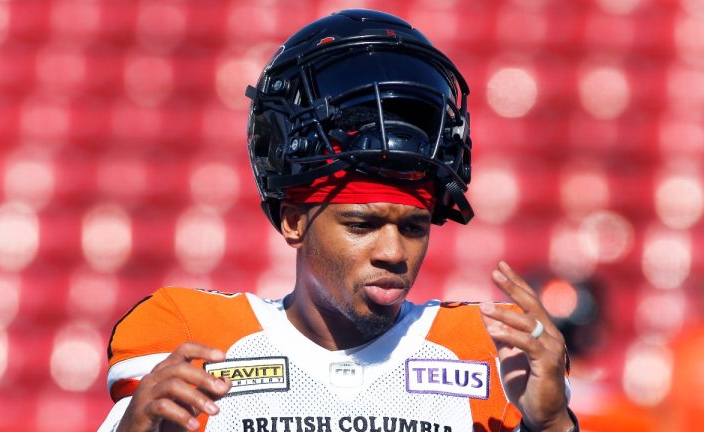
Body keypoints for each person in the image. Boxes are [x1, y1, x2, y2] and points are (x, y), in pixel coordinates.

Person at [99, 9, 578, 432]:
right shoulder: (193, 334)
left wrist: (552, 423)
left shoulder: (487, 354)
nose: (394, 253)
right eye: (361, 225)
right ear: (294, 222)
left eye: (413, 227)